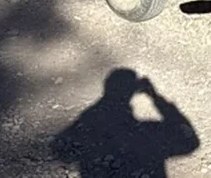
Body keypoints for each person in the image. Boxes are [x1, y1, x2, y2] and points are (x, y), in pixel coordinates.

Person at [53, 68, 199, 177]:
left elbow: (61, 150)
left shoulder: (91, 131)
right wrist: (155, 97)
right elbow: (190, 141)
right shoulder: (149, 134)